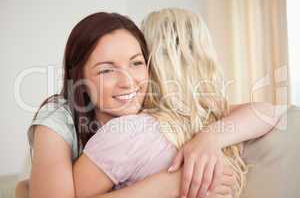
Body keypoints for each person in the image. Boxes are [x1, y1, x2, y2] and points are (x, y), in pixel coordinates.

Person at [16, 11, 281, 198]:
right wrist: (172, 184)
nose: (128, 82)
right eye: (106, 70)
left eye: (136, 63)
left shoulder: (163, 111)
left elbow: (266, 111)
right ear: (80, 79)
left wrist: (207, 139)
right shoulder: (57, 118)